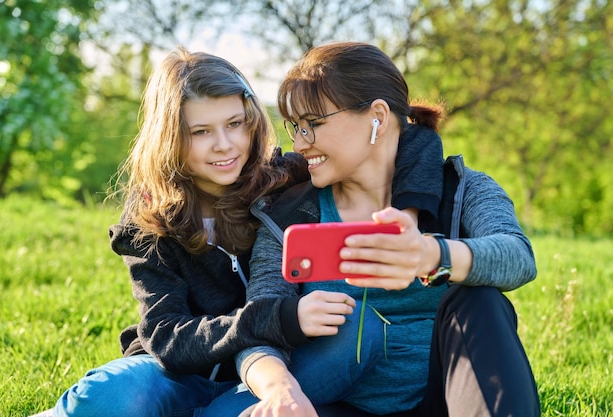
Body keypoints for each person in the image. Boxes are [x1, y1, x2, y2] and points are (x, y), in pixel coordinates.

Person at [39, 46, 445, 417]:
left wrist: (407, 213)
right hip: (177, 373)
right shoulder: (148, 218)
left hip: (277, 367)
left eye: (235, 124)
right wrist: (277, 318)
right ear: (170, 139)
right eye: (200, 132)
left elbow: (411, 138)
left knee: (354, 331)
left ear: (251, 122)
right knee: (113, 398)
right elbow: (166, 337)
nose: (224, 145)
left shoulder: (281, 177)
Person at [202, 41, 541, 417]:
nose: (300, 143)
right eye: (296, 127)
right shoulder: (290, 215)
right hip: (339, 404)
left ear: (377, 116)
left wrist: (432, 255)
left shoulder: (462, 190)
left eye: (313, 124)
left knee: (480, 300)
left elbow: (518, 257)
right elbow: (261, 324)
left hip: (446, 401)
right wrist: (280, 390)